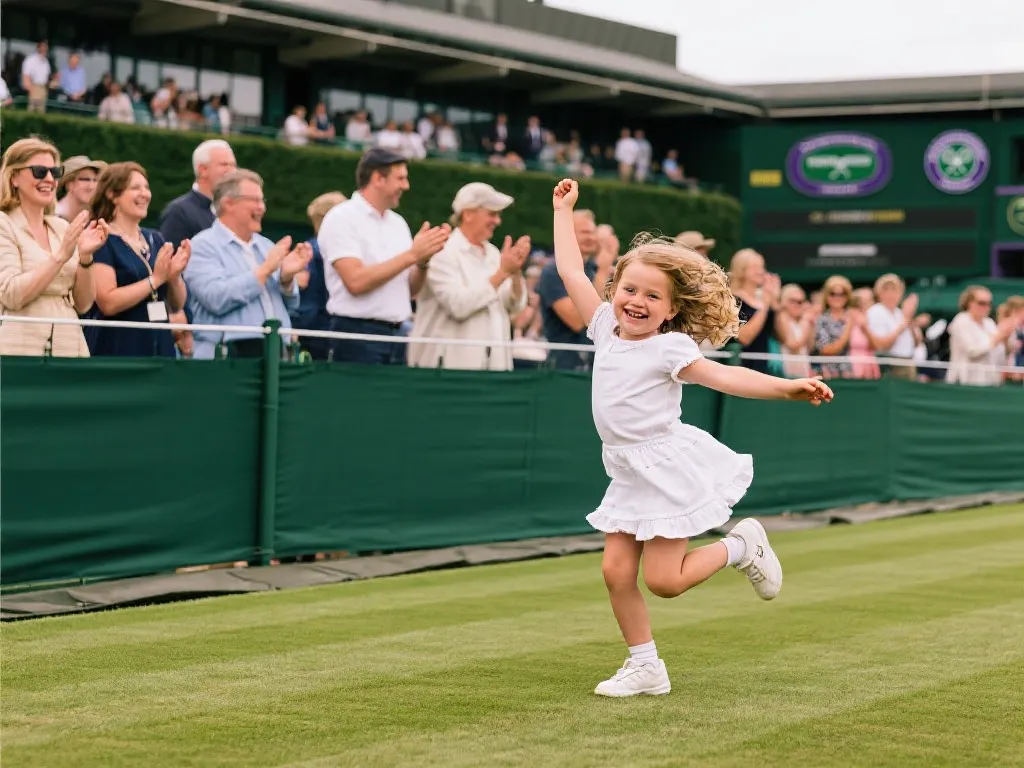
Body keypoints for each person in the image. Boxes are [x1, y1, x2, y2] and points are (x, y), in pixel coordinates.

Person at [550, 178, 833, 699]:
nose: (636, 302)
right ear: (615, 292)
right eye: (629, 290)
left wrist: (787, 386)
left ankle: (741, 546)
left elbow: (727, 377)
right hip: (626, 469)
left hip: (666, 469)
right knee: (615, 572)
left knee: (665, 581)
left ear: (672, 308)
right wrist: (563, 211)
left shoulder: (671, 348)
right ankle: (646, 667)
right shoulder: (602, 326)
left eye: (652, 296)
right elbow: (570, 268)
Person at [317, 148, 449, 364]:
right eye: (401, 179)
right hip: (356, 337)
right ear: (378, 178)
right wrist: (412, 255)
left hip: (398, 337)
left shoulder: (398, 224)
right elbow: (356, 282)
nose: (406, 186)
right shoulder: (341, 218)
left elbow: (410, 291)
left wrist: (423, 261)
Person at [0, 137, 108, 357]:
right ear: (14, 178)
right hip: (19, 348)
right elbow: (11, 295)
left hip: (69, 344)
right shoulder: (4, 224)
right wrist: (60, 255)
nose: (49, 179)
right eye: (40, 171)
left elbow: (83, 304)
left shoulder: (61, 227)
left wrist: (86, 257)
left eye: (55, 172)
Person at [407, 182, 530, 371]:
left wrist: (515, 274)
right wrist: (503, 273)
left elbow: (514, 306)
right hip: (445, 372)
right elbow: (458, 305)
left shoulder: (494, 254)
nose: (497, 221)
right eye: (492, 214)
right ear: (468, 213)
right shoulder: (442, 251)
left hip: (494, 369)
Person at [89, 162, 190, 358]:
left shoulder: (156, 238)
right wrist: (156, 280)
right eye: (135, 188)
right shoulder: (101, 239)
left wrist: (174, 277)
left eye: (146, 187)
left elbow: (176, 305)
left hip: (160, 349)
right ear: (112, 194)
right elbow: (108, 303)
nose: (145, 194)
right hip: (119, 350)